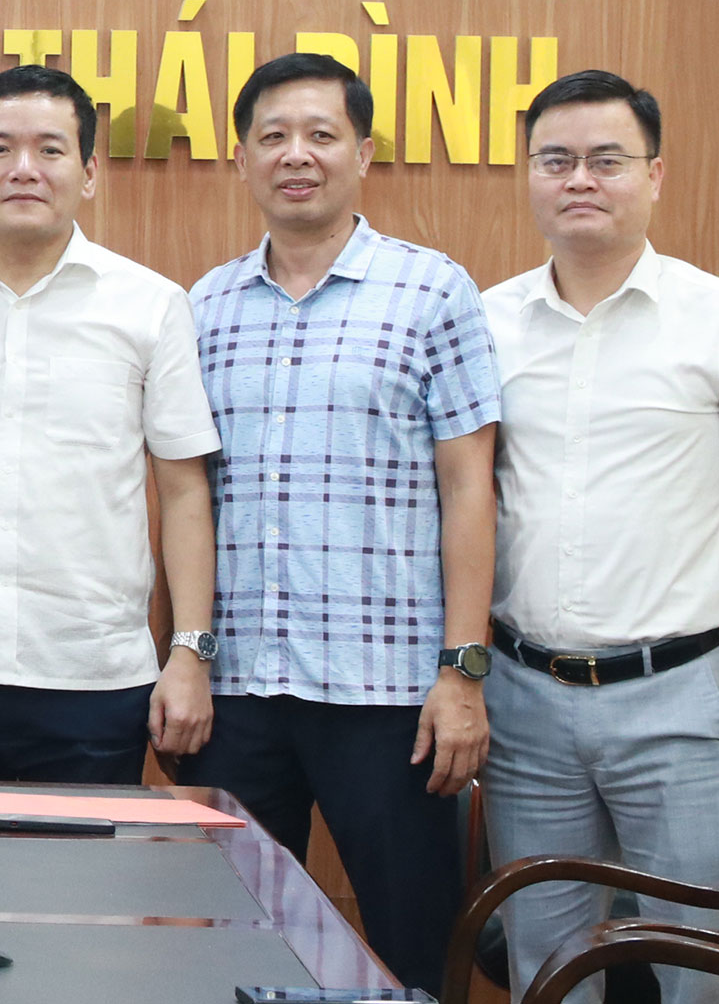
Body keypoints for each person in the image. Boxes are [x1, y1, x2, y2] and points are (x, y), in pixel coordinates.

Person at [478, 70, 719, 1004]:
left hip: (678, 698)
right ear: (530, 175)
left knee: (702, 970)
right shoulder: (486, 323)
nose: (580, 179)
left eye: (607, 160)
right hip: (524, 699)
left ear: (655, 175)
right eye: (556, 160)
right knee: (547, 968)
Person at [179, 51, 500, 997]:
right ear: (241, 158)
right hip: (241, 689)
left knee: (411, 949)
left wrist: (463, 673)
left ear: (362, 153)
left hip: (390, 696)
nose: (297, 155)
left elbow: (470, 489)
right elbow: (184, 497)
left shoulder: (432, 291)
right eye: (273, 136)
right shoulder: (204, 305)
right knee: (233, 946)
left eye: (321, 135)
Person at [0, 64, 221, 783]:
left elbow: (183, 492)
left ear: (89, 173)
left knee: (84, 861)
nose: (24, 168)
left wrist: (188, 652)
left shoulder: (150, 304)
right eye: (0, 148)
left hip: (95, 678)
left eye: (50, 149)